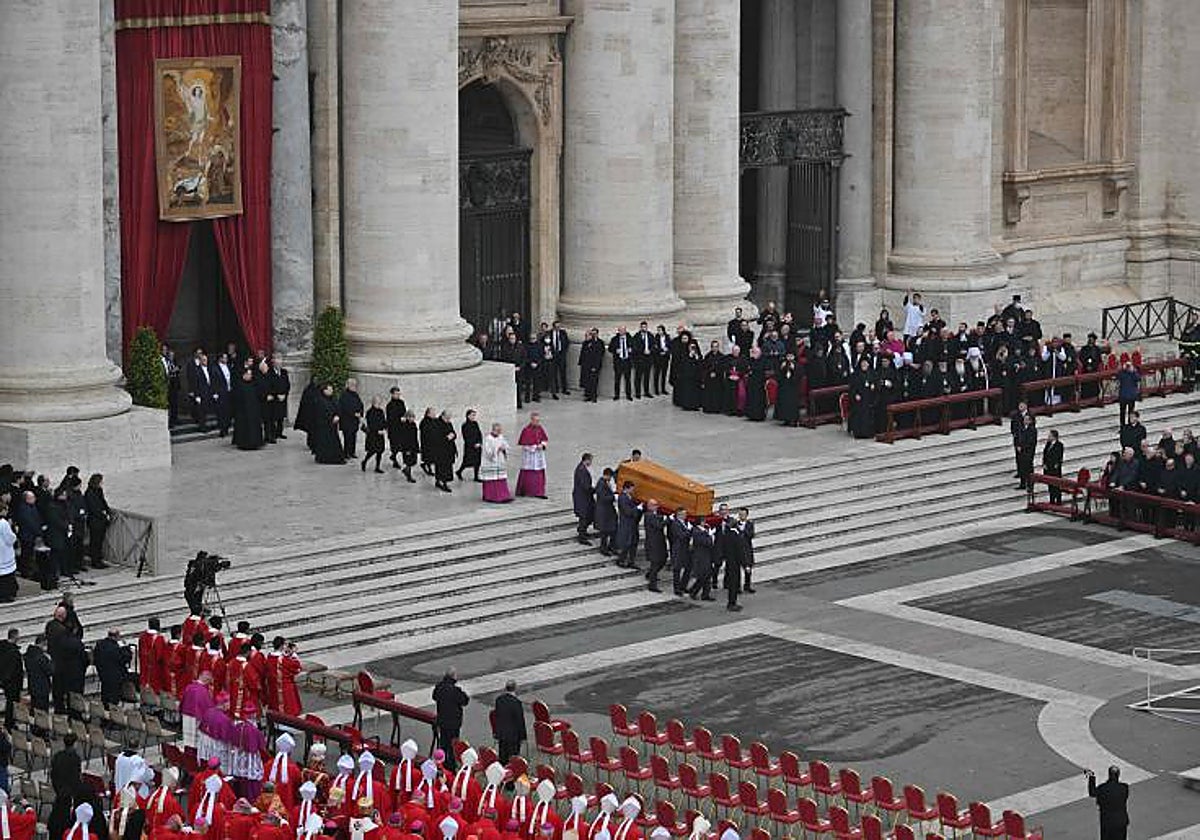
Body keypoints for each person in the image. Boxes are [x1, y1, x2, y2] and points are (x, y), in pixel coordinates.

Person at [432, 670, 469, 772]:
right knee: (453, 745)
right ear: (453, 677)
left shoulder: (439, 687)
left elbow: (434, 696)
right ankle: (451, 767)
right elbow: (465, 700)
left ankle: (442, 764)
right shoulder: (455, 691)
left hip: (442, 721)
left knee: (443, 743)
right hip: (453, 723)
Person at [1087, 766, 1129, 840]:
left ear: (1109, 774)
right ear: (1118, 775)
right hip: (1121, 821)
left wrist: (1091, 777)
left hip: (1107, 822)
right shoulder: (1124, 788)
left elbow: (1092, 793)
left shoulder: (1102, 788)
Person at [93, 629, 132, 708]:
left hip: (103, 675)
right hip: (115, 677)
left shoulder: (100, 644)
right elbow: (125, 658)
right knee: (113, 700)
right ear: (117, 636)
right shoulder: (115, 648)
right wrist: (124, 647)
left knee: (105, 697)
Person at [514, 414, 548, 499]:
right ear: (531, 420)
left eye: (538, 421)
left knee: (539, 472)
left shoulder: (540, 428)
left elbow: (545, 439)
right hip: (530, 456)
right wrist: (535, 447)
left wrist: (542, 445)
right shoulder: (526, 430)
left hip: (539, 455)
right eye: (536, 421)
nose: (537, 422)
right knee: (529, 473)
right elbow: (524, 445)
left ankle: (539, 492)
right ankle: (526, 491)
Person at [492, 680, 526, 764]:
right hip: (513, 736)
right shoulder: (516, 703)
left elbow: (497, 716)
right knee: (513, 759)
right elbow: (520, 721)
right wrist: (523, 736)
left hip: (501, 733)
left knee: (502, 756)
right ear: (515, 689)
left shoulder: (499, 700)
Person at [231, 369, 265, 451]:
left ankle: (255, 443)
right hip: (243, 412)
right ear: (243, 375)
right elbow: (236, 399)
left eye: (250, 374)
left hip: (254, 411)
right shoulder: (239, 385)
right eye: (248, 374)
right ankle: (244, 444)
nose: (249, 376)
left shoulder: (254, 384)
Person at [311, 385, 345, 465]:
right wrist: (331, 418)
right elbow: (321, 413)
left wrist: (337, 415)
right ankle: (324, 458)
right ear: (324, 391)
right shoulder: (320, 400)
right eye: (330, 390)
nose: (331, 391)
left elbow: (337, 408)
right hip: (324, 426)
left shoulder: (333, 399)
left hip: (332, 426)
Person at [83, 475, 111, 570]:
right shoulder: (89, 493)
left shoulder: (99, 491)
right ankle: (95, 561)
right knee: (95, 541)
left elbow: (103, 501)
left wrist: (107, 511)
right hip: (94, 521)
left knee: (100, 541)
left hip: (101, 521)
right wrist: (103, 514)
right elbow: (93, 508)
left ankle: (99, 559)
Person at [480, 424, 513, 504]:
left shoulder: (501, 437)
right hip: (490, 462)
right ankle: (492, 496)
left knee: (501, 478)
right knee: (492, 479)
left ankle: (504, 495)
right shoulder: (488, 439)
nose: (500, 432)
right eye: (498, 430)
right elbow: (488, 452)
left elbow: (506, 446)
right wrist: (497, 450)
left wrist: (504, 448)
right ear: (493, 430)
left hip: (499, 461)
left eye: (500, 430)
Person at [614, 482, 641, 569]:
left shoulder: (629, 497)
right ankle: (621, 560)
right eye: (632, 488)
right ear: (627, 488)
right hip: (626, 524)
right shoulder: (622, 498)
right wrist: (637, 508)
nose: (633, 490)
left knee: (634, 543)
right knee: (626, 543)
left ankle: (631, 561)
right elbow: (627, 512)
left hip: (632, 524)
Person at [642, 501, 668, 593]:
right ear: (650, 506)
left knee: (663, 560)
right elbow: (658, 525)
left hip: (659, 542)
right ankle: (652, 585)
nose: (657, 506)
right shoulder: (649, 515)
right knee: (655, 563)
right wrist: (667, 520)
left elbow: (658, 517)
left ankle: (650, 575)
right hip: (653, 543)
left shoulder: (654, 514)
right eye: (655, 505)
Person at [264, 355, 291, 443]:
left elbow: (287, 385)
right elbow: (269, 385)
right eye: (277, 360)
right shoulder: (270, 372)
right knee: (272, 417)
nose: (279, 363)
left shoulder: (284, 372)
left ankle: (279, 432)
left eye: (280, 361)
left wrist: (284, 394)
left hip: (283, 398)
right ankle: (272, 435)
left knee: (281, 417)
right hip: (274, 399)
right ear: (273, 362)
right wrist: (276, 395)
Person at [24, 635, 52, 715]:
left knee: (34, 709)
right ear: (42, 643)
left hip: (33, 686)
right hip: (42, 687)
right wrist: (49, 660)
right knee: (42, 711)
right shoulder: (41, 657)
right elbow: (50, 670)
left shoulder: (29, 654)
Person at [0, 629, 21, 730]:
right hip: (12, 683)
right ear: (15, 637)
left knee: (10, 703)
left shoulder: (3, 647)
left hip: (5, 681)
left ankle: (10, 723)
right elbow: (14, 669)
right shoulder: (13, 652)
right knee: (12, 704)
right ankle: (10, 724)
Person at [339, 380, 365, 459]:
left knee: (353, 436)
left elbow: (360, 404)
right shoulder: (344, 395)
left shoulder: (355, 395)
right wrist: (353, 413)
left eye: (355, 385)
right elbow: (344, 407)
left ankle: (352, 452)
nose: (354, 387)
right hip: (347, 420)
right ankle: (346, 452)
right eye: (352, 385)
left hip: (354, 420)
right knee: (347, 437)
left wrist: (360, 413)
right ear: (348, 385)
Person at [433, 411, 458, 493]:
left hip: (449, 450)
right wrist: (447, 438)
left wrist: (453, 436)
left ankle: (442, 481)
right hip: (440, 450)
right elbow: (435, 437)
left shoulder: (449, 423)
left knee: (447, 467)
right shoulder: (436, 424)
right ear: (443, 416)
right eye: (447, 418)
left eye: (449, 418)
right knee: (441, 467)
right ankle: (442, 482)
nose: (448, 419)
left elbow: (454, 433)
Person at [594, 469, 617, 557]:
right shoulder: (601, 484)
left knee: (611, 530)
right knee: (604, 532)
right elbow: (603, 497)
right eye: (610, 477)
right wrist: (613, 497)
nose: (610, 479)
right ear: (607, 475)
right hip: (604, 511)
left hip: (608, 510)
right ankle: (603, 548)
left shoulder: (604, 482)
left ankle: (611, 546)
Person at [361, 397, 387, 474]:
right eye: (377, 402)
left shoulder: (381, 411)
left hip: (380, 434)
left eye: (379, 403)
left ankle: (377, 467)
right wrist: (377, 431)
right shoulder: (369, 412)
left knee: (380, 451)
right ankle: (364, 461)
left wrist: (384, 428)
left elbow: (383, 421)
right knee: (372, 450)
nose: (379, 404)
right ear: (373, 403)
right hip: (373, 434)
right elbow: (371, 424)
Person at [572, 454, 594, 545]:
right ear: (586, 460)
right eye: (590, 461)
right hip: (582, 497)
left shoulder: (582, 468)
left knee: (588, 515)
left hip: (584, 497)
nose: (591, 463)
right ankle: (582, 535)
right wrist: (595, 490)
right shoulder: (581, 470)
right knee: (584, 516)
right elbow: (586, 486)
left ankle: (582, 530)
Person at [578, 329, 605, 403]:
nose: (593, 335)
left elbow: (600, 355)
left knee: (594, 381)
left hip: (594, 365)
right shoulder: (586, 343)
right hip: (586, 365)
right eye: (591, 334)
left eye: (594, 334)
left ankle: (594, 396)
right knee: (587, 381)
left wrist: (595, 366)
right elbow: (583, 353)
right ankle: (588, 395)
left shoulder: (600, 342)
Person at [385, 388, 408, 469]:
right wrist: (399, 419)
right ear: (392, 394)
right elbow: (390, 418)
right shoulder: (389, 405)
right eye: (396, 394)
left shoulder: (401, 403)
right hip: (393, 429)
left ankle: (400, 460)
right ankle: (394, 459)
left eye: (399, 394)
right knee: (394, 446)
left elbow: (405, 412)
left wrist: (405, 417)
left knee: (401, 446)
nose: (398, 395)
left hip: (401, 428)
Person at [609, 327, 634, 401]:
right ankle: (617, 395)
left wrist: (631, 349)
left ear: (626, 331)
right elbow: (610, 348)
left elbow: (635, 347)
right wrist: (615, 350)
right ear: (618, 331)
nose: (622, 332)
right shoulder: (614, 339)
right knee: (617, 380)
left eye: (623, 330)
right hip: (618, 362)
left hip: (627, 361)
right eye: (620, 330)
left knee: (628, 380)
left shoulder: (630, 338)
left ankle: (629, 395)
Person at [457, 410, 483, 482]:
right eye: (472, 415)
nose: (474, 417)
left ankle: (476, 476)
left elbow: (479, 433)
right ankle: (459, 471)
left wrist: (480, 442)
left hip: (477, 446)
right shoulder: (464, 425)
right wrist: (473, 444)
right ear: (468, 416)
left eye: (474, 415)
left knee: (477, 462)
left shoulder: (475, 423)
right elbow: (466, 437)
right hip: (470, 447)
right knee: (467, 462)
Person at [396, 410, 420, 483]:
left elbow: (415, 437)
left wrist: (417, 446)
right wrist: (406, 449)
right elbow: (403, 438)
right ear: (407, 417)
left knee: (413, 461)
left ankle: (405, 470)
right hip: (407, 447)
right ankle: (409, 476)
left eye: (413, 417)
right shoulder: (404, 426)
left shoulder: (414, 425)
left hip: (413, 446)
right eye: (410, 417)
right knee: (408, 462)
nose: (412, 418)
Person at [1016, 413, 1038, 490]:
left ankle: (1030, 485)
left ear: (1030, 421)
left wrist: (1022, 447)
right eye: (1024, 419)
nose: (1024, 421)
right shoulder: (1021, 428)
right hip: (1021, 451)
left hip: (1028, 452)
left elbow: (1031, 442)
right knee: (1021, 468)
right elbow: (1018, 438)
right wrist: (1018, 445)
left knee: (1028, 469)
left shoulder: (1033, 430)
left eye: (1026, 419)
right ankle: (1022, 483)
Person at [1042, 430, 1064, 504]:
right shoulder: (1048, 444)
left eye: (1050, 436)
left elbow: (1059, 456)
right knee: (1050, 485)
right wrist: (1044, 463)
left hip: (1055, 469)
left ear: (1054, 437)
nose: (1048, 437)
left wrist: (1057, 464)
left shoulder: (1059, 445)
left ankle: (1058, 500)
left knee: (1056, 485)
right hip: (1048, 467)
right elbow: (1045, 454)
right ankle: (1052, 500)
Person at [1116, 361, 1140, 427]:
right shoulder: (1122, 373)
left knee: (1131, 412)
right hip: (1123, 396)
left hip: (1131, 396)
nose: (1127, 367)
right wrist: (1122, 369)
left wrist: (1133, 371)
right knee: (1122, 412)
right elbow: (1118, 377)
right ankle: (1122, 425)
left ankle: (1130, 425)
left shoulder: (1133, 373)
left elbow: (1138, 378)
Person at [0, 513, 16, 604]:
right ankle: (7, 595)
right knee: (7, 576)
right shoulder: (3, 523)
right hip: (4, 551)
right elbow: (10, 538)